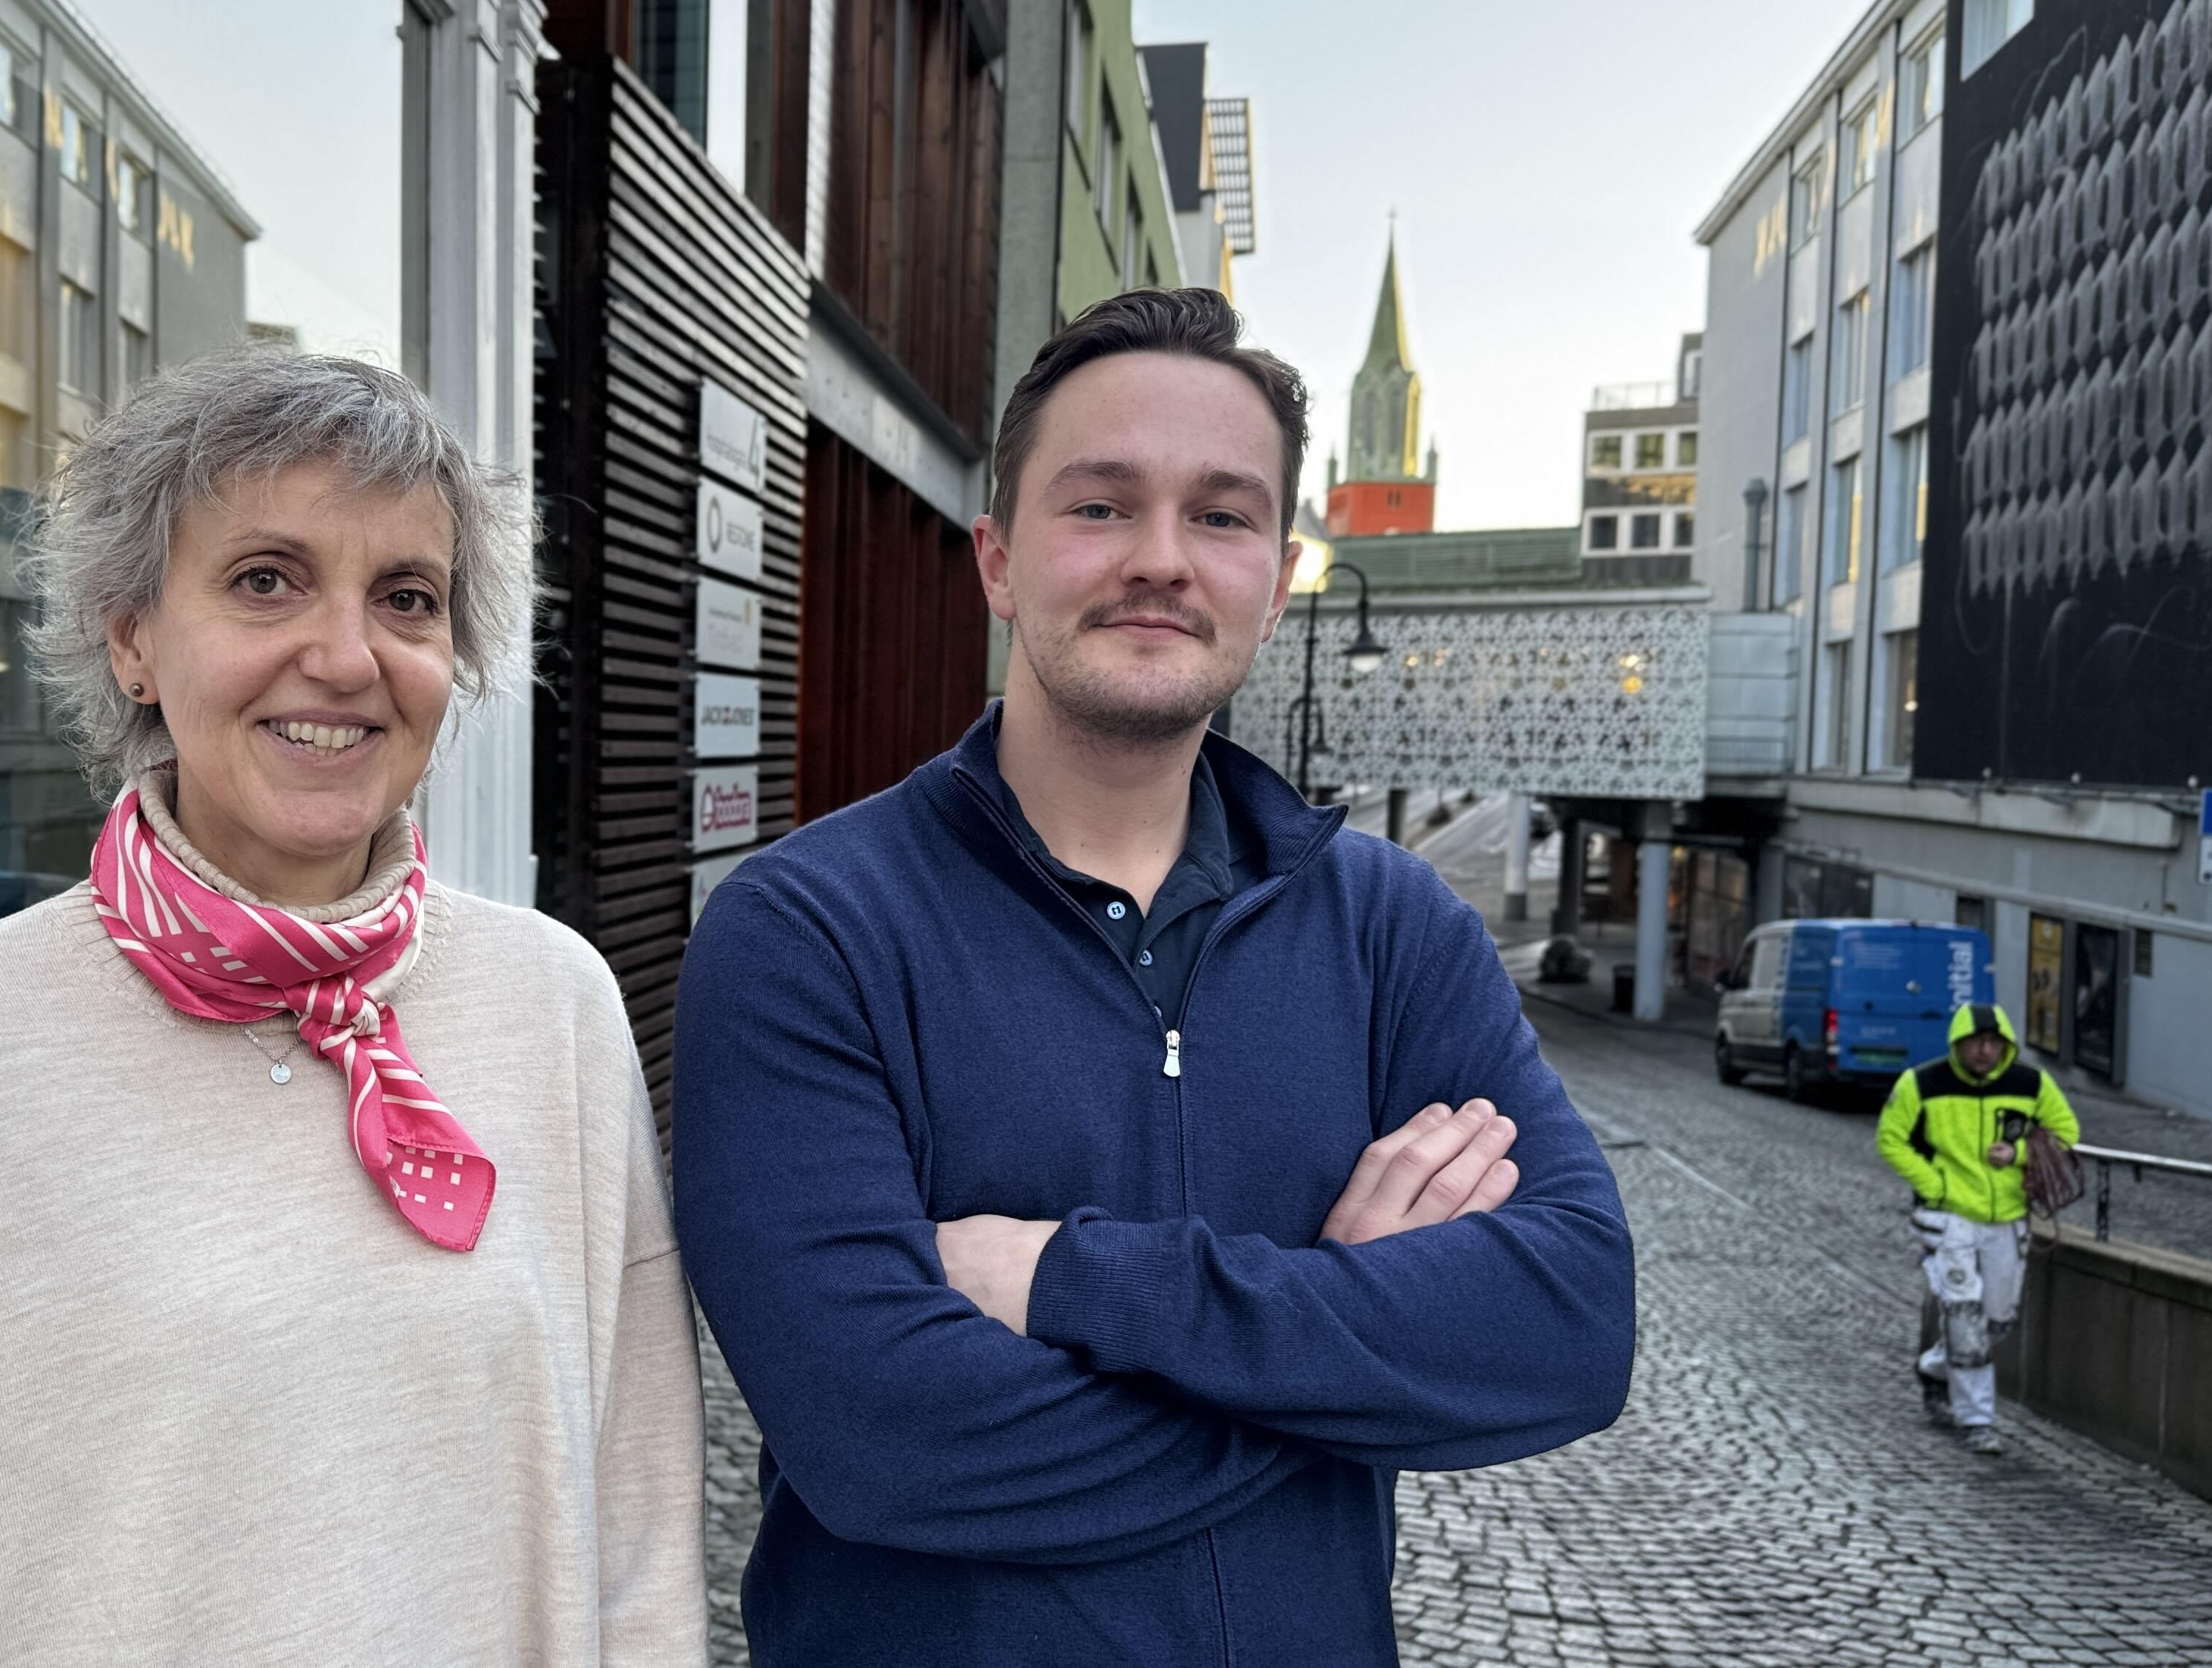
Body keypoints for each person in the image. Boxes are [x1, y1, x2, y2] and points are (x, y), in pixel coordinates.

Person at [0, 346, 707, 1664]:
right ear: (132, 637)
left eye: (406, 598)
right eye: (265, 579)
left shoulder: (554, 1007)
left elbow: (638, 1533)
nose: (343, 655)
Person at [668, 289, 1636, 1667]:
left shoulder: (1393, 928)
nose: (1162, 560)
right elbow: (883, 1441)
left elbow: (1570, 1325)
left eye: (1221, 517)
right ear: (1000, 559)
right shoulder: (806, 929)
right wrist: (1347, 1332)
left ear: (1276, 579)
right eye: (1100, 505)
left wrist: (1074, 1278)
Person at [1875, 1001, 2077, 1458]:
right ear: (1957, 1043)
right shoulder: (1921, 1083)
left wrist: (2020, 1154)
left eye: (1993, 1042)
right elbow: (1890, 1138)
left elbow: (2066, 1131)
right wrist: (1937, 1185)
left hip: (2007, 1216)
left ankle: (1934, 1367)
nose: (1985, 1050)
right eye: (1975, 1042)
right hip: (1948, 1218)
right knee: (1965, 1317)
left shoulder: (2031, 1083)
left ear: (2005, 1045)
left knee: (1997, 1322)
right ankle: (1977, 1420)